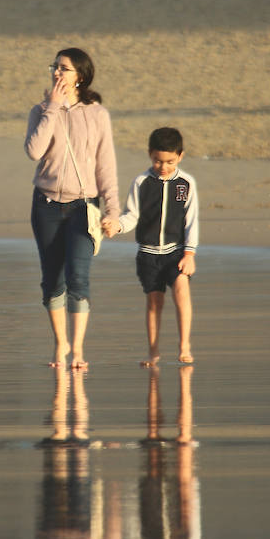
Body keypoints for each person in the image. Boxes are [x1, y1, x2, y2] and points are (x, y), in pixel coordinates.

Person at [25, 47, 121, 371]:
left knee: (78, 277)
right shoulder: (40, 110)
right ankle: (60, 343)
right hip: (47, 206)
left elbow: (106, 166)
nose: (57, 73)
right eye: (54, 66)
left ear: (80, 75)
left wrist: (113, 211)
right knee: (52, 280)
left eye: (64, 68)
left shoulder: (97, 114)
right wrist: (52, 108)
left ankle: (77, 349)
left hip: (83, 207)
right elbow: (34, 151)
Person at [115, 127, 199, 367]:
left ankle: (184, 346)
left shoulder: (186, 183)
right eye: (158, 161)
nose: (163, 167)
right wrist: (117, 226)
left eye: (170, 161)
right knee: (154, 302)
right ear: (150, 154)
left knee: (182, 290)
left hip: (176, 252)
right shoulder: (141, 182)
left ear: (180, 156)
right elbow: (130, 216)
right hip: (148, 254)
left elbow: (191, 220)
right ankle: (153, 351)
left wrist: (190, 253)